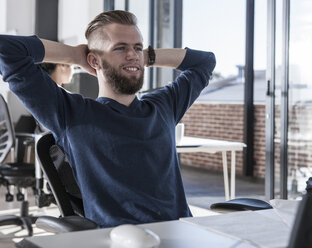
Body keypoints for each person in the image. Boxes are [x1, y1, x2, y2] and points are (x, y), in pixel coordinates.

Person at [0, 10, 215, 228]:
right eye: (120, 48)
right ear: (94, 60)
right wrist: (75, 56)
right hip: (116, 238)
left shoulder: (163, 106)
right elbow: (5, 49)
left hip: (180, 232)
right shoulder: (70, 113)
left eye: (137, 47)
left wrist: (147, 56)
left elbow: (205, 62)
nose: (132, 54)